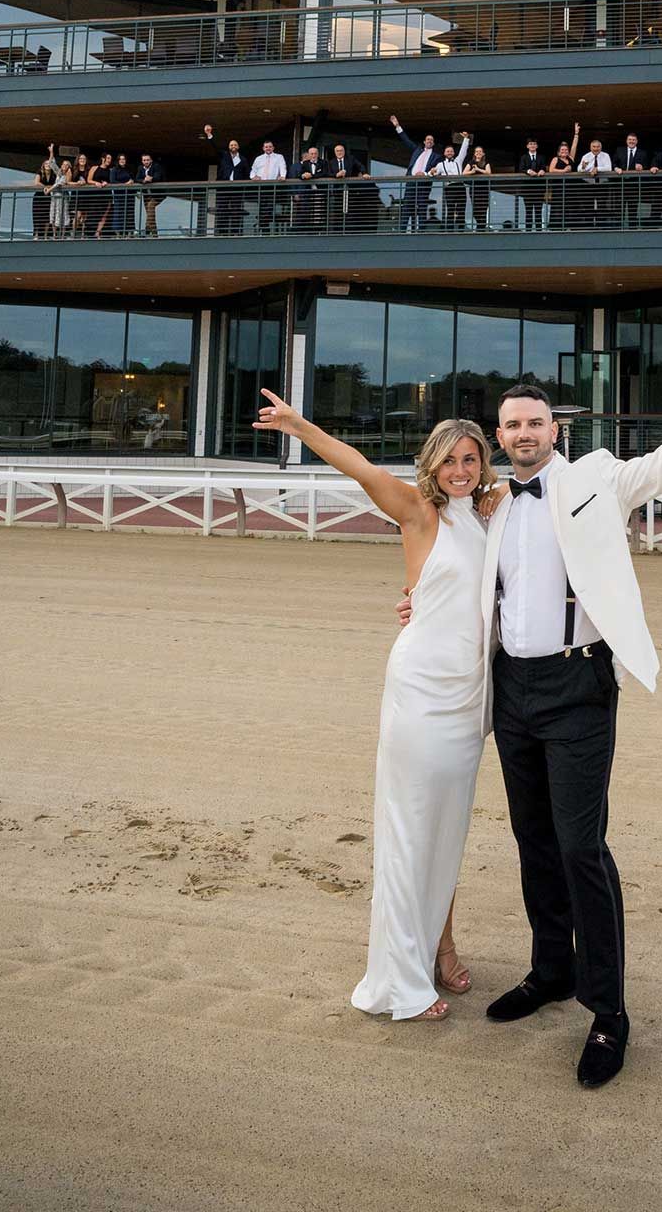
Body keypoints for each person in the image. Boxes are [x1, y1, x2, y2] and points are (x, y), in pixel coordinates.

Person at [399, 339, 662, 1087]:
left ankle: (609, 1011)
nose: (523, 434)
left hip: (579, 685)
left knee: (583, 847)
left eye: (535, 423)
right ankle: (551, 969)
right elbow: (456, 573)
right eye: (512, 425)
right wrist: (418, 604)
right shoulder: (488, 504)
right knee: (534, 842)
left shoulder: (596, 478)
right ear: (500, 435)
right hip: (511, 688)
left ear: (555, 430)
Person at [253, 390, 498, 1024]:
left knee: (448, 828)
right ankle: (399, 977)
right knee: (410, 829)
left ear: (482, 463)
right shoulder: (417, 510)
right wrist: (297, 425)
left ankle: (442, 945)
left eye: (470, 459)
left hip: (472, 698)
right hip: (421, 691)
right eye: (450, 460)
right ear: (432, 464)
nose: (460, 470)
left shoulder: (491, 515)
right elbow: (356, 465)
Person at [390, 114, 447, 232]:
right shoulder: (417, 150)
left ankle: (421, 231)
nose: (429, 141)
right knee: (407, 207)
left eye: (431, 140)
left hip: (423, 183)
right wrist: (397, 126)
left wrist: (425, 174)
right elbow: (406, 140)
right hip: (411, 182)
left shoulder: (437, 156)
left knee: (422, 208)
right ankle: (402, 230)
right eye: (428, 139)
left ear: (433, 143)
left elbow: (437, 169)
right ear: (424, 142)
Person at [432, 135, 471, 231]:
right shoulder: (441, 164)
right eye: (448, 151)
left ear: (453, 153)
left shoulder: (458, 161)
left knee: (461, 209)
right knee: (450, 209)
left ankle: (461, 230)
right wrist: (431, 172)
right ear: (444, 153)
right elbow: (434, 172)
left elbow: (463, 151)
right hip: (449, 188)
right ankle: (450, 230)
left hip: (460, 186)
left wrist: (466, 139)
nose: (449, 152)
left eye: (451, 151)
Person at [249, 140, 287, 233]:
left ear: (273, 148)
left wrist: (282, 176)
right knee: (262, 207)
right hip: (261, 186)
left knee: (269, 207)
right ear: (263, 148)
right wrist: (253, 177)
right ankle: (264, 228)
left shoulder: (279, 157)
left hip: (272, 185)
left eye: (270, 146)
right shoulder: (258, 158)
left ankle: (266, 229)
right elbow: (253, 170)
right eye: (266, 147)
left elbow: (283, 167)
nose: (268, 148)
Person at [548, 125, 579, 230]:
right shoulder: (555, 159)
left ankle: (569, 226)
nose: (564, 151)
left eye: (566, 150)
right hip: (559, 187)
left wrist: (576, 134)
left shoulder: (570, 158)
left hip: (570, 188)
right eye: (562, 150)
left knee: (570, 207)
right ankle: (556, 227)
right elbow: (551, 170)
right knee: (558, 207)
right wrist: (564, 171)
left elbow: (574, 146)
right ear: (558, 151)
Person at [577, 137, 613, 226]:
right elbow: (579, 169)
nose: (596, 149)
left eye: (598, 147)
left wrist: (597, 169)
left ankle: (601, 226)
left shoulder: (606, 155)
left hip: (602, 185)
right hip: (588, 185)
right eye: (594, 147)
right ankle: (589, 226)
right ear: (590, 147)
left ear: (601, 147)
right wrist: (585, 167)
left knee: (602, 206)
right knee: (588, 206)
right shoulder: (586, 156)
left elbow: (609, 168)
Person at [613, 133, 646, 227]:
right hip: (621, 184)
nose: (631, 141)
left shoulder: (642, 153)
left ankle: (632, 229)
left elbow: (647, 165)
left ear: (637, 141)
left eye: (633, 140)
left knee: (633, 210)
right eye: (630, 139)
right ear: (626, 141)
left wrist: (642, 167)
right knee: (619, 209)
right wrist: (616, 168)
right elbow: (614, 163)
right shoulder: (619, 150)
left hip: (634, 185)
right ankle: (619, 229)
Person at [217, 139, 250, 235]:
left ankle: (235, 231)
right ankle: (223, 232)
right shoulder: (225, 156)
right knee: (223, 209)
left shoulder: (243, 159)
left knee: (236, 210)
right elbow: (215, 148)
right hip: (224, 187)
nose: (233, 146)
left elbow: (247, 173)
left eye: (235, 145)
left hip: (237, 188)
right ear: (229, 147)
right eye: (231, 145)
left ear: (238, 147)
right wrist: (210, 136)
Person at [135, 153, 167, 238]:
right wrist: (143, 180)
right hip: (147, 195)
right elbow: (137, 179)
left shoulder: (156, 166)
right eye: (144, 160)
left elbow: (158, 177)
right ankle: (147, 231)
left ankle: (154, 234)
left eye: (147, 160)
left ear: (151, 160)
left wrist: (151, 178)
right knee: (149, 213)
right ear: (142, 161)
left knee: (150, 207)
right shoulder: (140, 168)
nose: (146, 162)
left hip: (158, 194)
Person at [518, 138, 547, 232]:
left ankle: (539, 231)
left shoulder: (541, 157)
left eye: (534, 144)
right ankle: (528, 232)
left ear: (537, 146)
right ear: (527, 146)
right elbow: (521, 168)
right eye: (530, 144)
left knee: (538, 211)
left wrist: (543, 170)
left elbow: (544, 167)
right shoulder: (524, 157)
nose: (532, 145)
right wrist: (528, 171)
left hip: (539, 189)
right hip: (527, 189)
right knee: (528, 211)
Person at [31, 145, 59, 240]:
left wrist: (51, 152)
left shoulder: (53, 175)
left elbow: (53, 162)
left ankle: (46, 235)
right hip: (39, 198)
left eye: (48, 164)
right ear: (43, 165)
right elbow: (36, 182)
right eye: (45, 164)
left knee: (47, 216)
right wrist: (45, 187)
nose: (47, 165)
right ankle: (36, 235)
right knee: (37, 216)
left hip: (48, 198)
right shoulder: (40, 173)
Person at [465, 145, 493, 231]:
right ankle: (479, 226)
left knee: (483, 209)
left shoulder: (486, 163)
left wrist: (478, 169)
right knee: (476, 209)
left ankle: (482, 227)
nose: (478, 153)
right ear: (474, 154)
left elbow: (489, 173)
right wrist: (472, 171)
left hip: (484, 189)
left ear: (483, 153)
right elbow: (464, 173)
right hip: (474, 189)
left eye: (480, 151)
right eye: (476, 151)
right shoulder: (471, 162)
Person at [88, 152, 114, 240]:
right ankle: (89, 232)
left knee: (104, 215)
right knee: (93, 213)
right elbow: (89, 180)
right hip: (95, 195)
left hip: (106, 195)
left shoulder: (110, 171)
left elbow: (112, 181)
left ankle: (97, 233)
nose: (109, 160)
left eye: (110, 159)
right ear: (103, 159)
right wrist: (96, 183)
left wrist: (107, 183)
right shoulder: (94, 168)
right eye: (108, 158)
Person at [49, 158, 74, 239]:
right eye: (63, 164)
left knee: (63, 214)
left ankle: (62, 235)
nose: (64, 166)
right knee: (53, 213)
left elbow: (60, 183)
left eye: (67, 165)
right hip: (55, 196)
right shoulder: (59, 172)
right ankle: (54, 235)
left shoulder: (67, 175)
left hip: (63, 197)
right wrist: (51, 153)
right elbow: (52, 164)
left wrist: (49, 190)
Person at [69, 153, 90, 239]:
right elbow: (67, 182)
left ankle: (82, 235)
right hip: (76, 195)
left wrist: (85, 183)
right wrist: (76, 183)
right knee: (77, 216)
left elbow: (90, 180)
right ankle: (73, 233)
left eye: (84, 159)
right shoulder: (72, 170)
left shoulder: (88, 170)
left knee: (84, 218)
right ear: (78, 160)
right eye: (81, 158)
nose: (82, 160)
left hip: (85, 195)